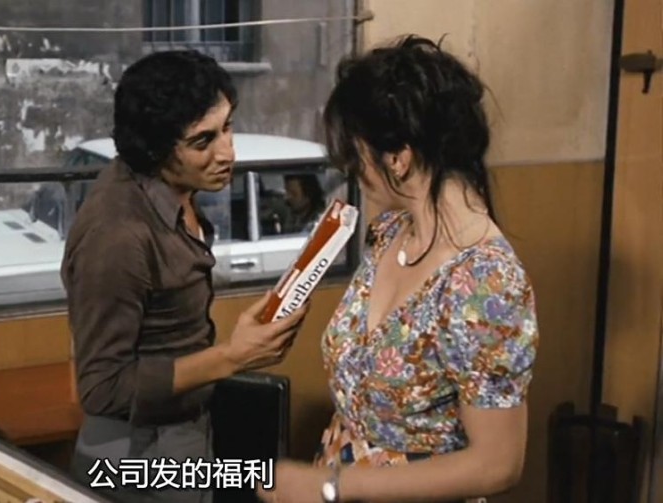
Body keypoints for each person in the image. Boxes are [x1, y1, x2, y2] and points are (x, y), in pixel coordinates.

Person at [258, 35, 539, 502]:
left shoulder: (483, 282)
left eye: (356, 154)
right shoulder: (390, 232)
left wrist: (334, 486)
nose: (351, 170)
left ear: (398, 157)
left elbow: (498, 464)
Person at [61, 49, 311, 503]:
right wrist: (232, 357)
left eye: (227, 127)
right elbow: (101, 389)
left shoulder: (171, 189)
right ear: (156, 149)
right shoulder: (118, 235)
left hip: (183, 431)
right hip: (136, 454)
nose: (227, 153)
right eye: (203, 142)